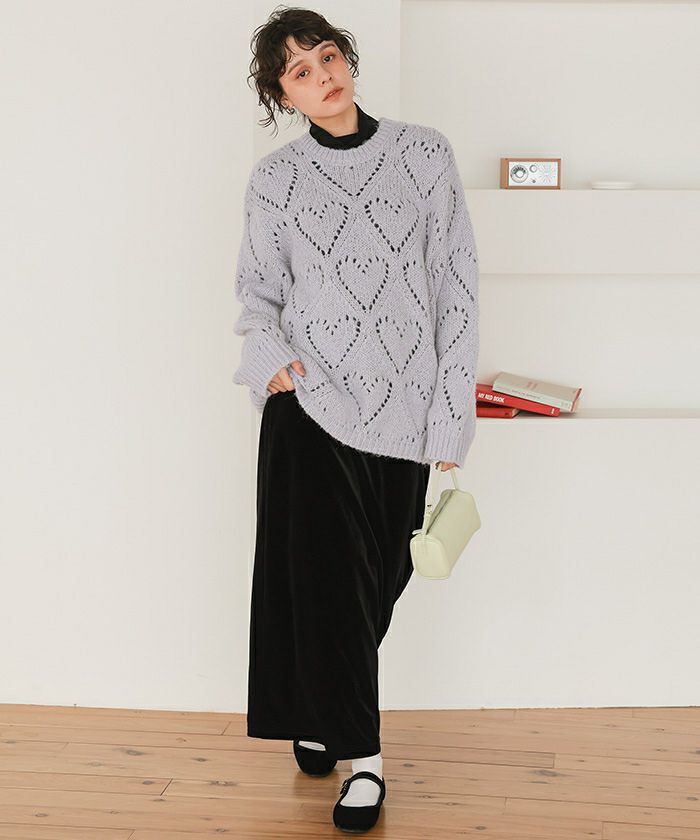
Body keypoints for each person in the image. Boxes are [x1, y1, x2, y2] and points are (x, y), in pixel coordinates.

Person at [232, 7, 479, 833]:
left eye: (328, 56)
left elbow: (457, 290)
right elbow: (258, 295)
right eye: (299, 71)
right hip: (311, 407)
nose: (323, 76)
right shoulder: (276, 181)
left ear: (348, 60)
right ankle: (364, 762)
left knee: (380, 583)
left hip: (405, 410)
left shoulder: (424, 155)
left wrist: (450, 417)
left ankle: (319, 709)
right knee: (329, 585)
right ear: (284, 96)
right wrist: (271, 361)